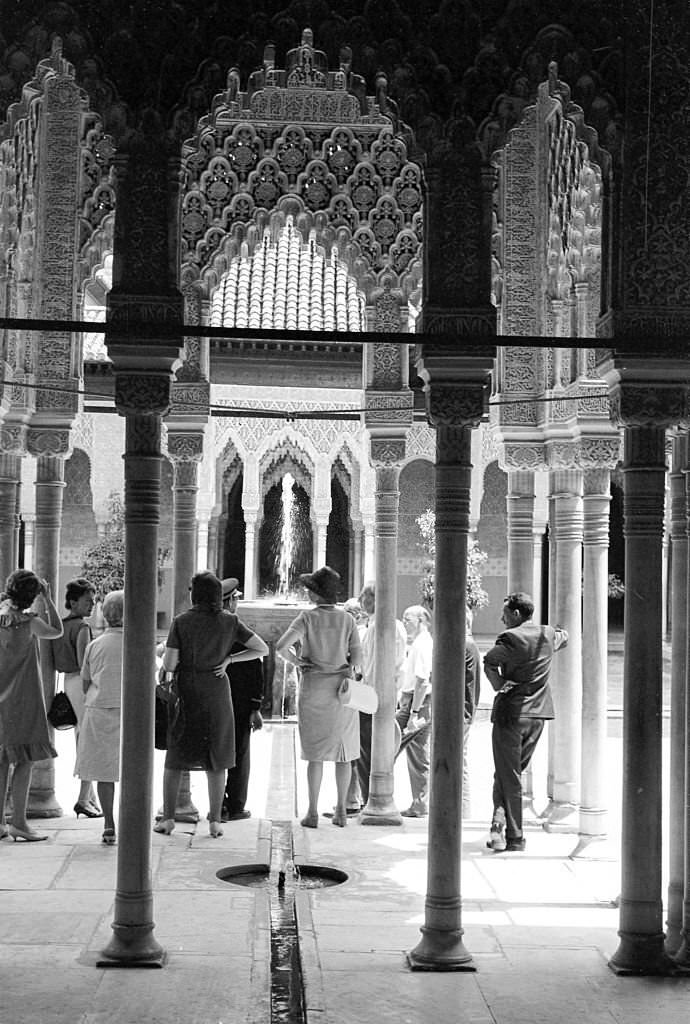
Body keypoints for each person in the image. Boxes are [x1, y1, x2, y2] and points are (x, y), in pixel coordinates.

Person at [155, 571, 268, 838]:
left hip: (188, 690)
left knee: (176, 756)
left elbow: (170, 663)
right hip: (218, 691)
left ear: (195, 593)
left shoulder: (181, 622)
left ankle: (169, 819)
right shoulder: (230, 621)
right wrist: (229, 660)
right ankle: (216, 822)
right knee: (217, 757)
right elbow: (261, 648)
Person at [275, 565, 362, 829]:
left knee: (314, 754)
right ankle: (341, 812)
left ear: (315, 594)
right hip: (341, 691)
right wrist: (351, 673)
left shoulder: (306, 618)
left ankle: (312, 812)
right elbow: (357, 657)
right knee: (343, 753)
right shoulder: (347, 619)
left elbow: (280, 647)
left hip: (313, 688)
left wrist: (299, 662)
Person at [484, 592, 568, 852]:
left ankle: (515, 836)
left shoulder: (511, 638)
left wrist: (500, 685)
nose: (501, 618)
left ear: (517, 614)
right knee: (509, 774)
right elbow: (563, 638)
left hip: (511, 714)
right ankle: (498, 826)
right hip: (538, 716)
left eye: (505, 613)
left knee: (509, 777)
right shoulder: (548, 635)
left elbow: (489, 662)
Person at [0, 570, 63, 842]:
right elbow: (57, 631)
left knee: (1, 760)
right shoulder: (30, 623)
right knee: (24, 759)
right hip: (23, 697)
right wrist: (47, 601)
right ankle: (19, 822)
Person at [345, 582, 407, 813]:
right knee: (368, 749)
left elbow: (375, 666)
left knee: (365, 750)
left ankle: (369, 799)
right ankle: (366, 797)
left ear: (375, 599)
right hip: (380, 691)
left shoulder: (380, 626)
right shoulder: (390, 625)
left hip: (372, 694)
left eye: (365, 598)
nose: (362, 603)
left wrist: (361, 688)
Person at [76, 590, 124, 845]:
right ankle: (132, 820)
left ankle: (109, 823)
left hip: (99, 711)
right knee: (133, 771)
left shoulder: (95, 644)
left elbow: (86, 682)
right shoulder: (137, 643)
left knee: (105, 773)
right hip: (129, 713)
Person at [51, 578, 100, 818]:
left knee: (81, 739)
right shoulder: (82, 628)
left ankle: (91, 798)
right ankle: (83, 798)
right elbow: (85, 666)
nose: (92, 605)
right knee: (88, 741)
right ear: (74, 602)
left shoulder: (59, 626)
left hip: (65, 683)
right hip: (80, 685)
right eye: (88, 601)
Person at [220, 577, 264, 821]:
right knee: (239, 754)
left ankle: (218, 805)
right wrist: (255, 706)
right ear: (230, 602)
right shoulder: (235, 626)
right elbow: (255, 666)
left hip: (213, 698)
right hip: (238, 702)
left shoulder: (206, 627)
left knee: (215, 753)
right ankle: (235, 805)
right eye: (236, 598)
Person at [396, 605, 433, 817]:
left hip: (416, 704)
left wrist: (413, 713)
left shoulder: (422, 645)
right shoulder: (420, 643)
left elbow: (421, 681)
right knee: (418, 754)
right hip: (415, 702)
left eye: (408, 619)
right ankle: (419, 803)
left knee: (384, 746)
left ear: (421, 620)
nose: (405, 623)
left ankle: (374, 797)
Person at [463, 608, 482, 818]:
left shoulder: (466, 646)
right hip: (465, 711)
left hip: (461, 712)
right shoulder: (471, 646)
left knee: (459, 759)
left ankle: (463, 809)